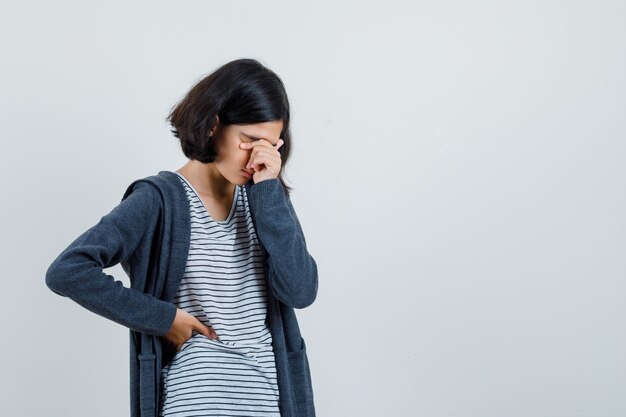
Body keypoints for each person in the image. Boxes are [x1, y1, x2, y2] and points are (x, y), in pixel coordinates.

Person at [45, 58, 319, 417]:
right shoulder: (158, 200)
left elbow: (301, 291)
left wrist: (269, 192)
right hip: (196, 401)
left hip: (269, 401)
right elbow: (67, 271)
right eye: (248, 140)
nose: (256, 158)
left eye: (269, 146)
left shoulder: (266, 199)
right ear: (213, 126)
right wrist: (163, 318)